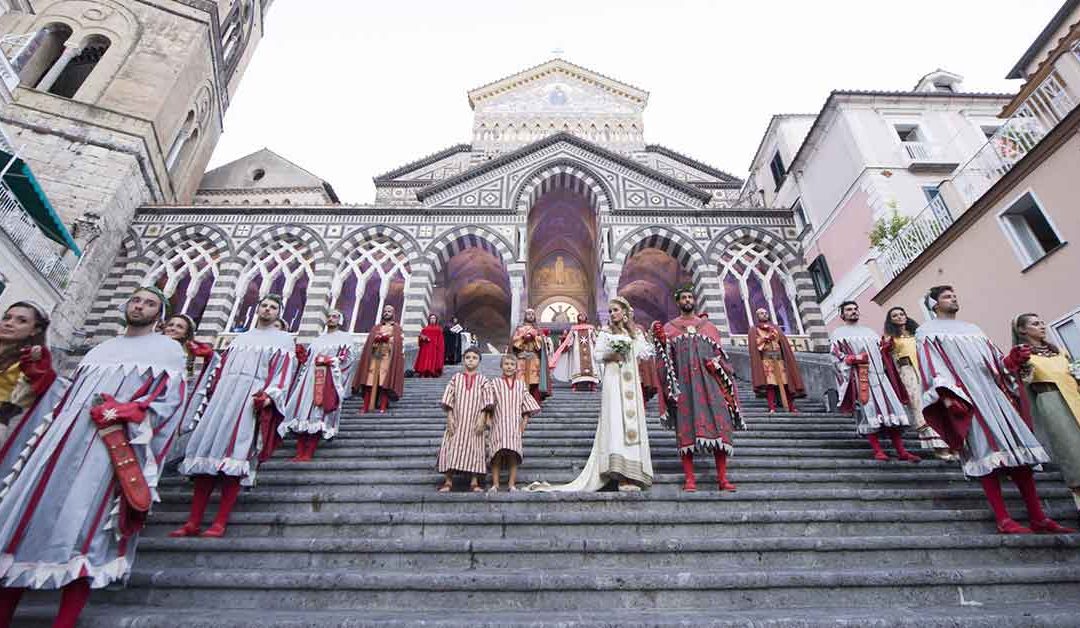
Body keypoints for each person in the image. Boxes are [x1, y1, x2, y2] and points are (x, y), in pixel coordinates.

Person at [0, 287, 186, 628]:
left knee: (86, 525)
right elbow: (66, 395)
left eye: (149, 303)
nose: (140, 306)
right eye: (136, 300)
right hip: (62, 442)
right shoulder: (101, 348)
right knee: (32, 515)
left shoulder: (168, 351)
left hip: (110, 448)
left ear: (160, 314)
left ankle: (66, 621)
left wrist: (127, 410)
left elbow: (167, 402)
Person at [917, 286, 1072, 534]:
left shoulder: (974, 330)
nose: (954, 298)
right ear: (934, 304)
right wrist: (946, 396)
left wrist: (1013, 359)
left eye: (955, 294)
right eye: (947, 296)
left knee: (1020, 454)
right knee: (986, 454)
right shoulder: (926, 332)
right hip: (967, 398)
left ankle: (1038, 517)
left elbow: (997, 363)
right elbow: (931, 366)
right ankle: (1003, 519)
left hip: (995, 395)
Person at [171, 294, 296, 538]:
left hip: (249, 401)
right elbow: (221, 368)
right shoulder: (240, 339)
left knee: (234, 457)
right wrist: (209, 357)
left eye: (273, 308)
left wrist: (269, 395)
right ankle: (193, 521)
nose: (267, 310)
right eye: (264, 306)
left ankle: (219, 521)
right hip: (222, 398)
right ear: (257, 309)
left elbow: (282, 374)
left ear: (278, 314)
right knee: (206, 457)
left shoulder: (283, 341)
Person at [530, 296, 654, 492]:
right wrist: (611, 355)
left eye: (615, 310)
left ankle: (634, 473)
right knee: (616, 423)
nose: (612, 314)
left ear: (625, 313)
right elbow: (597, 355)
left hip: (631, 383)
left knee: (633, 423)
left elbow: (646, 353)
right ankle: (620, 474)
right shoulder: (605, 332)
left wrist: (650, 338)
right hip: (614, 382)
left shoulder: (634, 334)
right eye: (611, 310)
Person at [652, 285, 742, 492]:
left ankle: (722, 478)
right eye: (683, 297)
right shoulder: (670, 328)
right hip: (684, 387)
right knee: (686, 429)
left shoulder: (708, 327)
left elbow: (721, 353)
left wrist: (717, 365)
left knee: (720, 424)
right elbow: (664, 360)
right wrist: (669, 385)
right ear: (678, 302)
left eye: (690, 297)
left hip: (711, 384)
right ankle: (690, 479)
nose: (687, 300)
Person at [830, 301, 919, 463]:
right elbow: (836, 357)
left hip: (881, 377)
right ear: (842, 315)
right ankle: (877, 450)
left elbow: (881, 353)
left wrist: (885, 348)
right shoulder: (838, 334)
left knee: (892, 410)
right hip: (861, 378)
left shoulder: (870, 332)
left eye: (856, 309)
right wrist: (852, 358)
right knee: (869, 412)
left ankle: (901, 451)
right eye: (849, 310)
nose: (853, 312)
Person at [1012, 312, 1080, 521]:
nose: (1041, 326)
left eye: (1042, 322)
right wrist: (1023, 369)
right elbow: (1022, 384)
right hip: (1051, 402)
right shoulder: (1023, 355)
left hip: (1075, 396)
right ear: (1022, 330)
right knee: (1072, 452)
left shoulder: (1057, 351)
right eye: (1035, 324)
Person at [280, 310, 356, 461]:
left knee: (318, 413)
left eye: (335, 316)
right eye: (329, 316)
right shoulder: (317, 340)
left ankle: (309, 452)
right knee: (302, 413)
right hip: (309, 379)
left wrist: (330, 361)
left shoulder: (345, 338)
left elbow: (347, 358)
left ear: (340, 320)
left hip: (327, 379)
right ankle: (299, 451)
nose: (331, 319)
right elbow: (307, 360)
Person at [880, 307, 951, 459]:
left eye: (901, 314)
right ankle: (939, 447)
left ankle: (951, 444)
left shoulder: (917, 334)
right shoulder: (891, 339)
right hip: (908, 374)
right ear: (890, 320)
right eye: (895, 315)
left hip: (925, 370)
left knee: (938, 403)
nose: (899, 317)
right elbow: (887, 359)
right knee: (920, 406)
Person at [0, 301, 58, 478]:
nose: (9, 323)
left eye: (21, 320)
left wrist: (36, 365)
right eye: (7, 318)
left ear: (35, 330)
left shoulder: (32, 360)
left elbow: (41, 384)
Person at [160, 314, 220, 467]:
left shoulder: (187, 355)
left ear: (187, 334)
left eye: (179, 327)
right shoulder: (150, 345)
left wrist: (210, 356)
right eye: (171, 324)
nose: (173, 328)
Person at [436, 347, 492, 492]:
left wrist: (482, 419)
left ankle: (474, 482)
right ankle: (448, 481)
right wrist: (449, 418)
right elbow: (449, 398)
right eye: (468, 357)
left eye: (474, 357)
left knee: (475, 448)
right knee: (451, 446)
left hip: (474, 420)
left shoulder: (483, 380)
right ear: (463, 360)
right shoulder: (456, 378)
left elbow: (487, 402)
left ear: (479, 361)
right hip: (457, 418)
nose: (471, 360)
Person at [484, 353, 540, 492]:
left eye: (512, 365)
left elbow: (527, 405)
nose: (509, 367)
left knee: (513, 454)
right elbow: (488, 403)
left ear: (516, 368)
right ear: (501, 366)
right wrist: (487, 420)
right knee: (496, 454)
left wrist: (524, 423)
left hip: (514, 424)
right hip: (498, 423)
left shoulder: (521, 385)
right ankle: (495, 484)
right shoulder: (494, 383)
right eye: (506, 364)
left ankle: (511, 484)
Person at [747, 307, 805, 413]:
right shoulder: (754, 330)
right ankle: (772, 407)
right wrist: (766, 338)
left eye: (765, 313)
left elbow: (782, 343)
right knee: (770, 384)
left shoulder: (776, 328)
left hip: (779, 360)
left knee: (787, 383)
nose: (764, 315)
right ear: (757, 316)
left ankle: (791, 406)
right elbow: (755, 346)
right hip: (766, 361)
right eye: (761, 313)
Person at [352, 304, 405, 414]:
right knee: (369, 380)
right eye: (385, 311)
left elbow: (398, 344)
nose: (386, 313)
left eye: (389, 311)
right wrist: (376, 339)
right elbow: (370, 341)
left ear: (393, 314)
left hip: (387, 358)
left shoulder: (396, 328)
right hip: (375, 356)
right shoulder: (376, 327)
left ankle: (383, 406)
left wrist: (388, 340)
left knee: (385, 381)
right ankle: (366, 406)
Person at [510, 308, 551, 404]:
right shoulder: (519, 329)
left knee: (535, 381)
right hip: (522, 358)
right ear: (525, 316)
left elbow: (542, 344)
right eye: (528, 314)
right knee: (520, 380)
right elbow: (514, 342)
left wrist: (534, 337)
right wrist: (523, 338)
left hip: (534, 358)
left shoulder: (537, 330)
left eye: (532, 314)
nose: (531, 316)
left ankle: (534, 402)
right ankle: (520, 401)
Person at [550, 312, 599, 392]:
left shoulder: (591, 328)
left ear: (586, 318)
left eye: (584, 315)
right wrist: (567, 346)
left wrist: (598, 345)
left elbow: (594, 338)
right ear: (578, 317)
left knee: (592, 365)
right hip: (577, 350)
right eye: (580, 315)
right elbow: (571, 340)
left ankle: (592, 384)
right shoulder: (574, 329)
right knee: (577, 366)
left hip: (590, 349)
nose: (582, 316)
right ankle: (575, 384)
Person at [413, 314, 446, 378]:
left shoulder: (439, 330)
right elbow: (420, 339)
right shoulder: (425, 329)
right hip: (425, 348)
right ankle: (423, 372)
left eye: (434, 318)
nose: (432, 320)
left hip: (434, 348)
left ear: (436, 320)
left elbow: (441, 341)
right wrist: (423, 338)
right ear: (429, 320)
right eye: (431, 318)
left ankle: (431, 372)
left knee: (433, 360)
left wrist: (439, 348)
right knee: (424, 359)